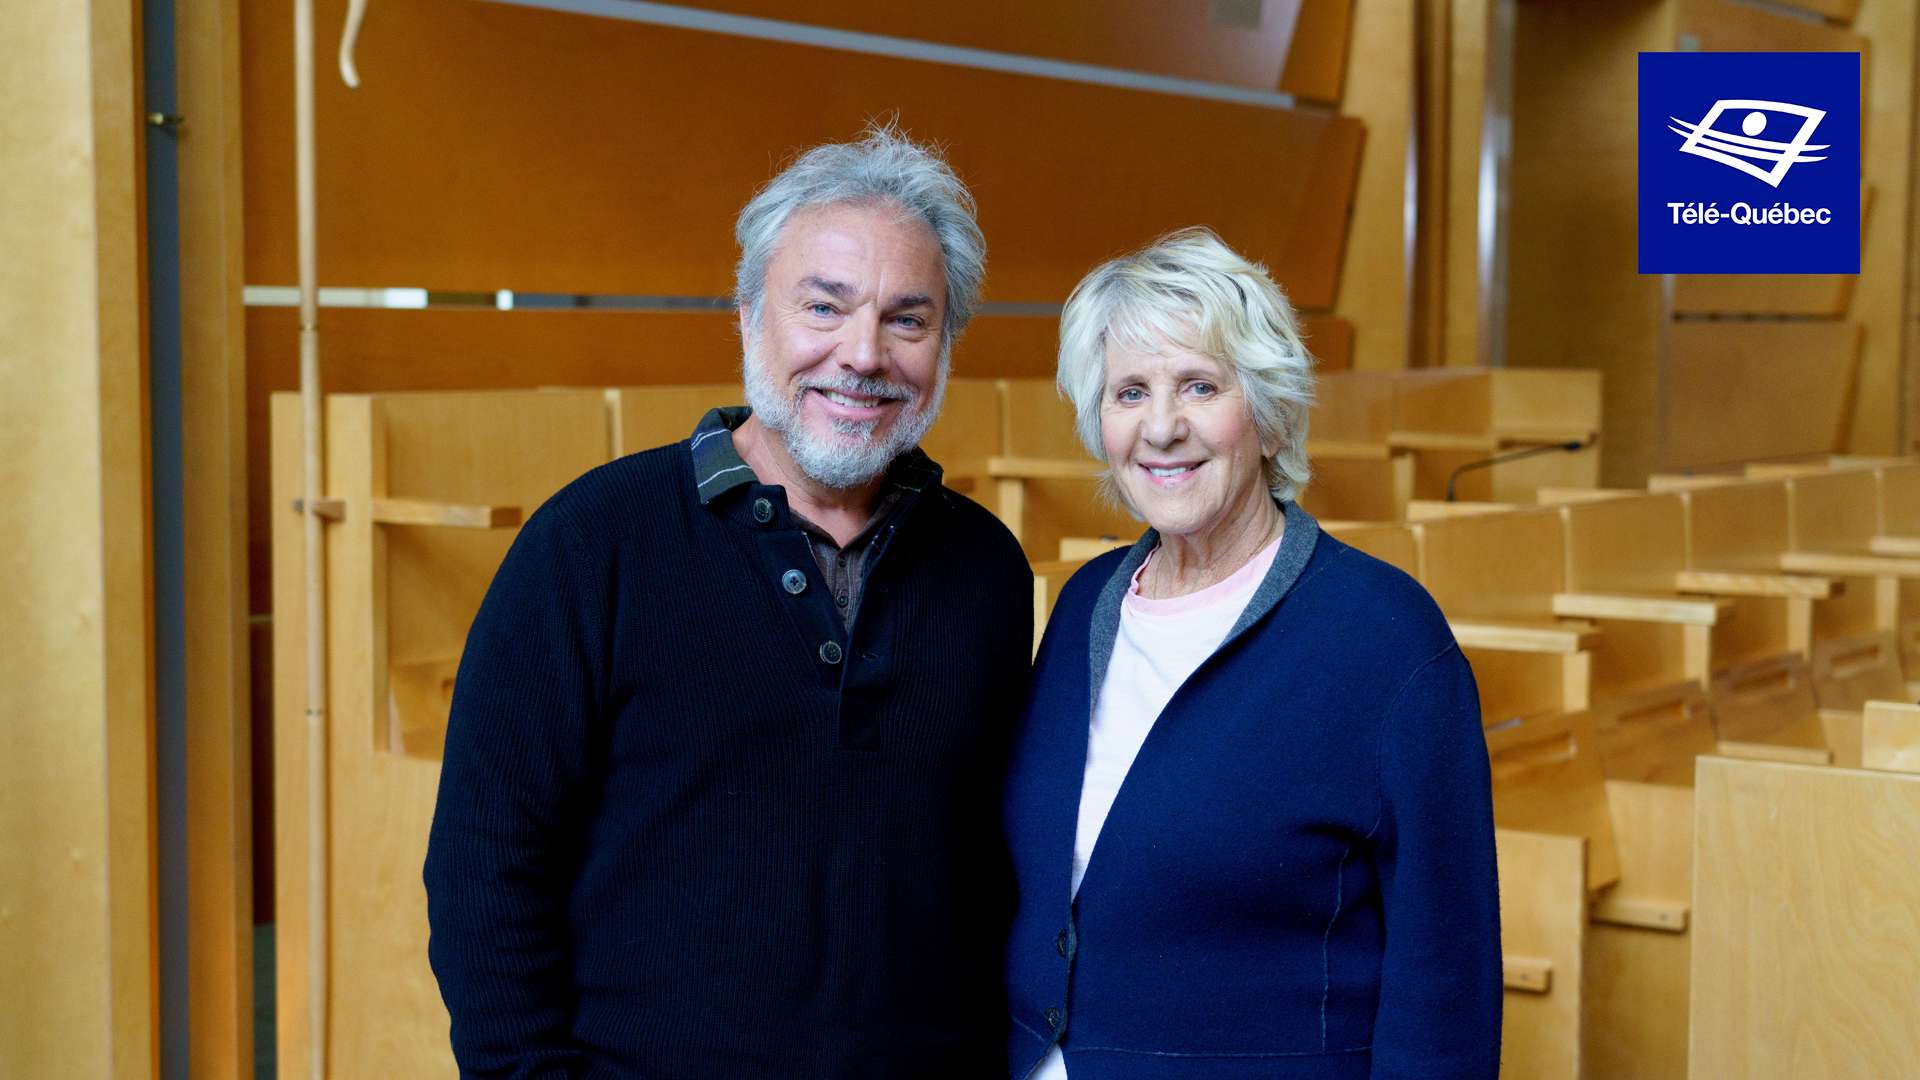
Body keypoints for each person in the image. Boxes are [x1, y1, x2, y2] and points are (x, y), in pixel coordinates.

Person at [423, 126, 1032, 1079]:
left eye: (908, 321)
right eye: (823, 307)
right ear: (749, 317)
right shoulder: (591, 543)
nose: (863, 355)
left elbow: (994, 873)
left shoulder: (986, 568)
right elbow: (486, 863)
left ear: (944, 347)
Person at [1003, 228, 1502, 1080]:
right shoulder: (1085, 604)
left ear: (1268, 418)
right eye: (1129, 392)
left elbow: (1446, 978)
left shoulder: (1385, 637)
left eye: (1199, 385)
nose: (1161, 427)